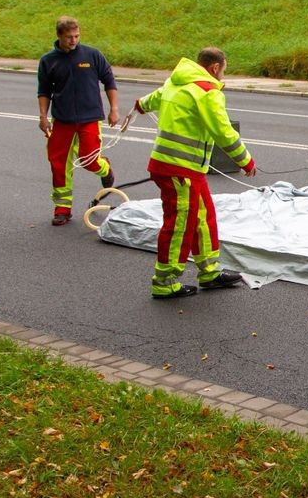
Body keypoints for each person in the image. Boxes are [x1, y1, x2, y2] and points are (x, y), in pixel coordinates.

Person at [134, 47, 256, 300]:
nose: (224, 75)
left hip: (180, 168)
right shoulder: (207, 91)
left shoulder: (176, 82)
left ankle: (210, 271)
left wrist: (141, 105)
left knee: (203, 217)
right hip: (180, 169)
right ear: (215, 67)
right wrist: (246, 161)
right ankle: (164, 282)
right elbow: (223, 131)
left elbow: (153, 99)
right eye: (224, 70)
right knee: (180, 226)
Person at [36, 16, 120, 226]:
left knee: (89, 159)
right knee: (58, 164)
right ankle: (62, 209)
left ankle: (105, 169)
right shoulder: (48, 60)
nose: (73, 40)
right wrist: (43, 117)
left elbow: (109, 81)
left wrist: (114, 109)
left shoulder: (92, 55)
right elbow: (44, 91)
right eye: (69, 37)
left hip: (90, 118)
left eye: (76, 36)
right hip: (62, 120)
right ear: (59, 36)